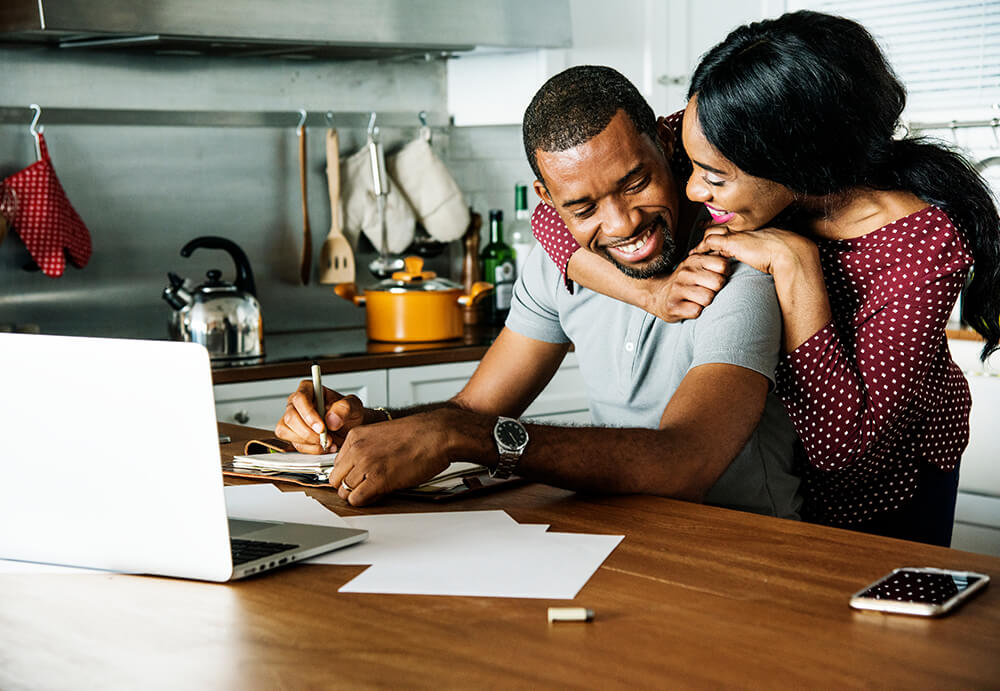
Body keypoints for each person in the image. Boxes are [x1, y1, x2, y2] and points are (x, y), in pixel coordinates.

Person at [529, 11, 1000, 546]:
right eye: (694, 166)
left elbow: (842, 447)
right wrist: (651, 293)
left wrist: (796, 265)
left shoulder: (920, 246)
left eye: (716, 178)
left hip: (888, 488)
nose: (692, 191)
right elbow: (551, 217)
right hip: (782, 477)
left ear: (794, 161)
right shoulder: (713, 133)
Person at [275, 65, 801, 518]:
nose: (622, 224)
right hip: (631, 539)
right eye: (584, 207)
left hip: (750, 547)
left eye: (635, 183)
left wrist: (462, 436)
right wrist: (370, 425)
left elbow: (684, 462)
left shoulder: (735, 264)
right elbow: (473, 409)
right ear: (547, 200)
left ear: (667, 145)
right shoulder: (556, 269)